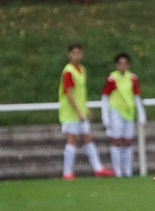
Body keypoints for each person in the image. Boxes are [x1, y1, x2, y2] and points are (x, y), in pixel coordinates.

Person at [58, 43, 113, 180]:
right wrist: (77, 111)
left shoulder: (81, 70)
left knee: (87, 138)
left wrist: (85, 108)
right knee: (72, 140)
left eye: (79, 53)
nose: (77, 55)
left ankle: (98, 168)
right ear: (70, 55)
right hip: (71, 112)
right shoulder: (69, 71)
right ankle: (67, 172)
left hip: (80, 111)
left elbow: (79, 93)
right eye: (74, 53)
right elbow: (69, 93)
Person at [101, 52, 146, 177]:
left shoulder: (132, 78)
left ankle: (128, 171)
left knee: (127, 141)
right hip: (116, 111)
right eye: (120, 63)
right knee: (116, 140)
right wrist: (105, 116)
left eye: (125, 63)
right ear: (116, 65)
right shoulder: (112, 78)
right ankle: (118, 172)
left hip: (128, 113)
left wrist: (141, 113)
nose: (122, 66)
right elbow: (105, 97)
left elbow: (137, 96)